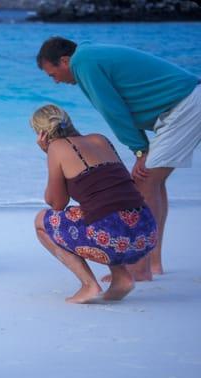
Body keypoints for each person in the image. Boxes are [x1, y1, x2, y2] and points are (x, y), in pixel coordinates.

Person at [36, 37, 201, 281]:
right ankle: (153, 263)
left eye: (53, 74)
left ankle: (140, 269)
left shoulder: (84, 62)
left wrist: (139, 150)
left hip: (185, 106)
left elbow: (112, 109)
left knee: (145, 181)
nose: (56, 81)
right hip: (185, 104)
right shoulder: (89, 56)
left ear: (64, 60)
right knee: (155, 182)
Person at [32, 104, 157, 304]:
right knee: (101, 209)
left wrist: (49, 153)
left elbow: (56, 203)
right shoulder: (100, 138)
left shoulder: (57, 148)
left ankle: (89, 285)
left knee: (41, 221)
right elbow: (115, 187)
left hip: (112, 238)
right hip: (145, 233)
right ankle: (121, 278)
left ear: (41, 134)